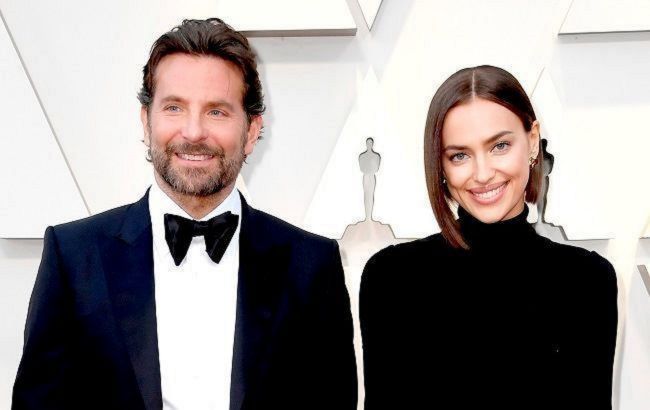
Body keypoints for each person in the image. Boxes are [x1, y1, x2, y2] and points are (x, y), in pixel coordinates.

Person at [13, 18, 357, 410]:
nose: (193, 133)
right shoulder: (74, 256)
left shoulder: (312, 265)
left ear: (251, 130)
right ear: (146, 121)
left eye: (217, 112)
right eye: (174, 107)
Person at [359, 65, 618, 410]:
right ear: (441, 165)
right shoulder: (392, 278)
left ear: (532, 141)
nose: (482, 174)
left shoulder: (586, 280)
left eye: (499, 146)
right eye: (460, 155)